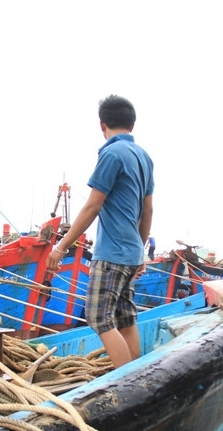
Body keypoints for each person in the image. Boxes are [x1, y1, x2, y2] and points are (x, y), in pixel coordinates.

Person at [46, 95, 154, 369]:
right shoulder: (144, 157)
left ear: (102, 124)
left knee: (98, 317)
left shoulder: (111, 154)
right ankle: (136, 375)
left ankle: (126, 382)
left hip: (111, 255)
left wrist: (61, 248)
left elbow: (93, 205)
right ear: (132, 124)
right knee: (126, 317)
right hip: (130, 253)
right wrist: (139, 250)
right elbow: (148, 210)